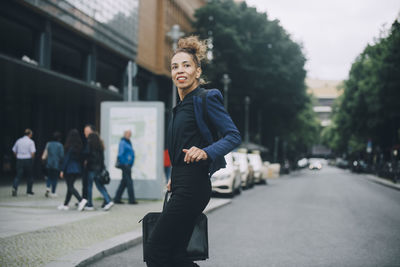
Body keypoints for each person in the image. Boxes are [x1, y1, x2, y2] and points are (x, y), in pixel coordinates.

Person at [145, 36, 241, 267]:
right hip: (180, 184)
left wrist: (206, 151)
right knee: (176, 256)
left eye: (186, 65)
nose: (180, 70)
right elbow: (180, 149)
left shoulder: (206, 98)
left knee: (155, 251)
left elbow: (233, 135)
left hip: (194, 186)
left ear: (197, 72)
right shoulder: (179, 107)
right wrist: (172, 179)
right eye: (174, 66)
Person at [58, 129, 87, 211]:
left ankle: (81, 200)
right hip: (77, 168)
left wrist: (62, 170)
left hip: (69, 169)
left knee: (70, 187)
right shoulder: (79, 146)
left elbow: (66, 159)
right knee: (70, 187)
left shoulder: (70, 147)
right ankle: (65, 204)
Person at [86, 132, 114, 211]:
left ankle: (90, 204)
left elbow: (89, 158)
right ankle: (108, 200)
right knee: (100, 186)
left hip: (91, 169)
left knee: (89, 187)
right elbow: (102, 160)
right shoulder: (100, 147)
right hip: (98, 170)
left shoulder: (90, 147)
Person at [114, 130, 138, 204]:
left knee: (124, 182)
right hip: (125, 166)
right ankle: (131, 200)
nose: (129, 135)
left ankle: (117, 199)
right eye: (128, 134)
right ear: (125, 134)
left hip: (127, 165)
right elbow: (120, 154)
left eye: (130, 134)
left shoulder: (128, 142)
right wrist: (126, 163)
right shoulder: (123, 142)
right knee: (129, 182)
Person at [12, 129, 36, 196]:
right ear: (30, 134)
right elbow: (33, 152)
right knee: (29, 176)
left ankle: (14, 187)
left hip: (19, 159)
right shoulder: (31, 142)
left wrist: (17, 156)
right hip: (28, 159)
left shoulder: (19, 141)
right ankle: (29, 191)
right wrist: (32, 159)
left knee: (18, 175)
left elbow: (14, 150)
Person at [42, 131, 64, 197]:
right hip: (56, 164)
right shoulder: (60, 145)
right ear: (59, 138)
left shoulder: (48, 144)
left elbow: (45, 153)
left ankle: (48, 187)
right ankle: (53, 192)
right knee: (55, 178)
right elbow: (61, 155)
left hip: (49, 163)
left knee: (49, 177)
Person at [81, 124, 95, 204]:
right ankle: (85, 200)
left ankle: (87, 202)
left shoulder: (91, 142)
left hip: (90, 167)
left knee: (88, 185)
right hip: (90, 167)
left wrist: (86, 160)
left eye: (86, 131)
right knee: (87, 185)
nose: (84, 133)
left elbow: (88, 153)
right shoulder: (89, 141)